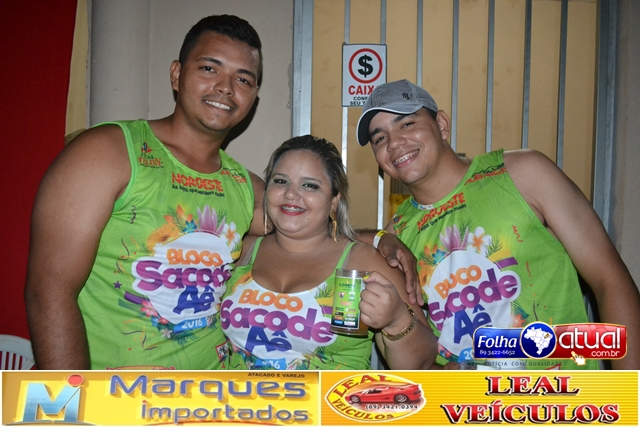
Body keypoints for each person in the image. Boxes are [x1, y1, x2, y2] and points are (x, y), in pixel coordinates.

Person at [24, 15, 419, 370]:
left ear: (253, 95)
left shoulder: (243, 185)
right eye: (209, 68)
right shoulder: (107, 152)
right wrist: (72, 401)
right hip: (114, 400)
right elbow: (49, 290)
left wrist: (379, 238)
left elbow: (308, 226)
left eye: (243, 79)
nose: (226, 87)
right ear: (177, 74)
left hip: (211, 402)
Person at [356, 79, 640, 370]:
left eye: (407, 124)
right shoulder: (396, 238)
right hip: (463, 399)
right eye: (380, 138)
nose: (394, 143)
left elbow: (610, 280)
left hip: (560, 393)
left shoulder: (524, 174)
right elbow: (417, 356)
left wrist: (630, 392)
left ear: (441, 124)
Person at [220, 135, 437, 370]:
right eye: (280, 181)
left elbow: (421, 365)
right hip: (237, 394)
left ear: (334, 201)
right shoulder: (241, 251)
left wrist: (397, 320)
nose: (291, 194)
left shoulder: (365, 262)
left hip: (335, 394)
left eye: (310, 185)